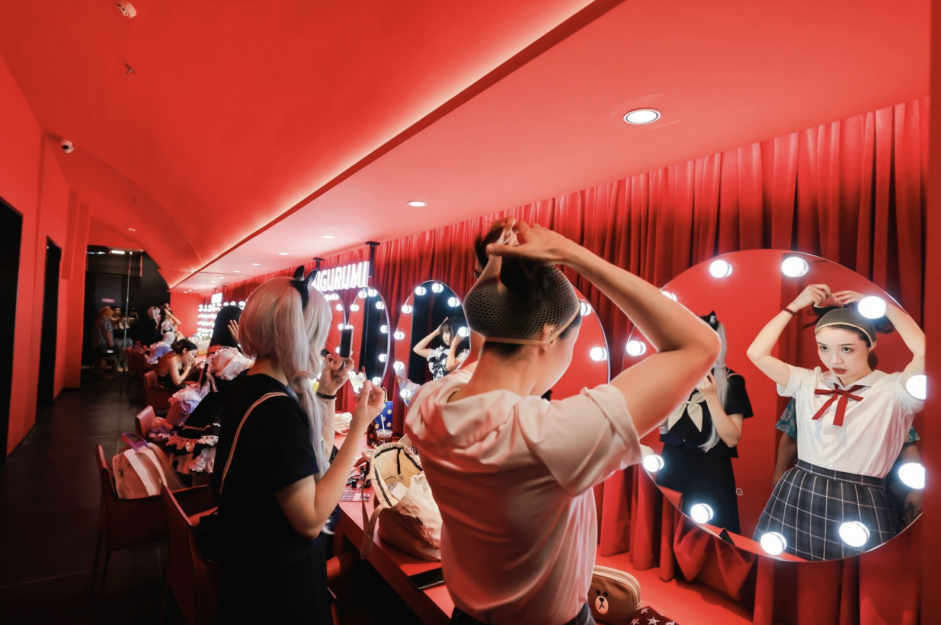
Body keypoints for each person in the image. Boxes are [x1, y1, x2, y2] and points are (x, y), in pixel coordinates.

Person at [405, 219, 719, 625]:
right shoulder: (543, 436)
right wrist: (572, 255)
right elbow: (699, 344)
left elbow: (482, 349)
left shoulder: (429, 404)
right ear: (549, 335)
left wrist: (496, 273)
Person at [213, 269, 384, 624]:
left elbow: (310, 463)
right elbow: (311, 519)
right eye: (319, 335)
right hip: (276, 591)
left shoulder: (251, 384)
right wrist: (360, 425)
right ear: (298, 334)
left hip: (248, 571)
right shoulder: (276, 409)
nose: (323, 347)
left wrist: (326, 394)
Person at [747, 285, 925, 560]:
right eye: (824, 348)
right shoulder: (808, 381)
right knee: (782, 564)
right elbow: (756, 354)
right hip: (799, 485)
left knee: (857, 573)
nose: (834, 359)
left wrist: (883, 305)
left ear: (871, 344)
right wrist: (794, 305)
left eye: (847, 349)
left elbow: (926, 352)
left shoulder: (895, 390)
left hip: (860, 495)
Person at [654, 312, 753, 533]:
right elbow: (660, 422)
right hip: (672, 463)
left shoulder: (732, 382)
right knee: (666, 527)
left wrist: (710, 396)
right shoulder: (679, 376)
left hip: (709, 471)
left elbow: (731, 438)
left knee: (706, 533)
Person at [772, 398, 924, 527]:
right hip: (809, 485)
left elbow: (907, 446)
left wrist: (916, 490)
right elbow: (791, 437)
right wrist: (779, 474)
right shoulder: (807, 390)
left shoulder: (888, 396)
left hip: (867, 490)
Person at [165, 305, 251, 473]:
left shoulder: (227, 350)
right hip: (222, 409)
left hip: (224, 406)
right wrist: (244, 343)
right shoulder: (224, 353)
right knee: (211, 460)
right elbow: (255, 367)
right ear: (232, 325)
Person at [91, 307, 115, 378]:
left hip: (96, 342)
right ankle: (102, 373)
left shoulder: (97, 321)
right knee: (103, 358)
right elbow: (107, 332)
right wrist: (110, 342)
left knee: (96, 358)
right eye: (111, 314)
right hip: (103, 343)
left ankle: (95, 371)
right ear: (107, 314)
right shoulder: (107, 322)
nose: (111, 316)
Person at [111, 306, 130, 372]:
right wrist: (123, 316)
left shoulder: (124, 318)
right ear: (112, 311)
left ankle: (125, 365)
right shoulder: (111, 318)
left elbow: (132, 321)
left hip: (127, 337)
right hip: (118, 338)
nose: (118, 311)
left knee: (127, 352)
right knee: (118, 352)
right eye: (116, 310)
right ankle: (117, 365)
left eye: (119, 310)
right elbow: (116, 321)